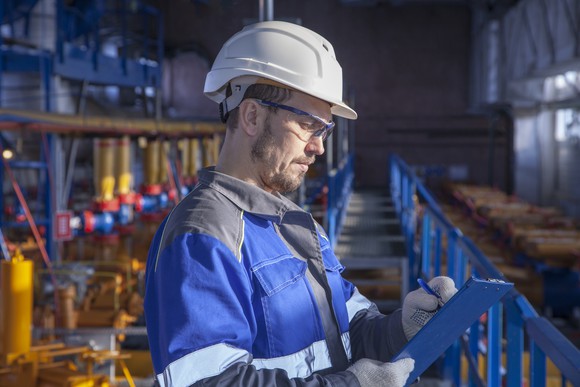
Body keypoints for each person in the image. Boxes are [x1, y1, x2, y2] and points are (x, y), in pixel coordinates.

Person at [144, 21, 457, 387]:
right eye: (308, 125)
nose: (319, 147)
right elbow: (211, 382)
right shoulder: (204, 236)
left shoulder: (295, 225)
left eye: (324, 130)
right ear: (252, 116)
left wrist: (402, 326)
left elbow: (349, 331)